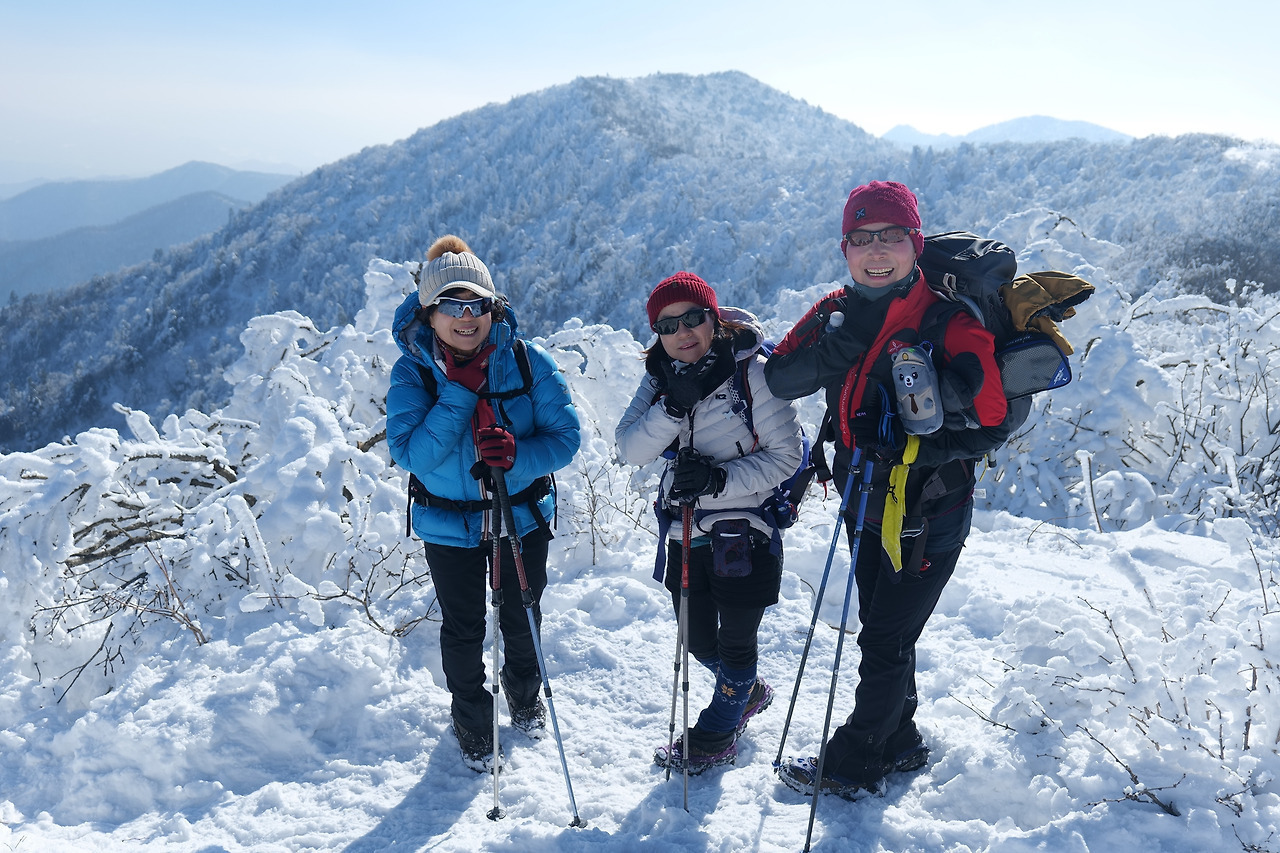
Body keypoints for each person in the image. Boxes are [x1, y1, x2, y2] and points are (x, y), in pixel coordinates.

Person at [763, 181, 1014, 798]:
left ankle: (855, 760)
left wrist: (916, 449)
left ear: (915, 243)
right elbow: (781, 377)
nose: (877, 250)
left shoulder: (948, 323)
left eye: (892, 236)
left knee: (883, 639)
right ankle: (900, 740)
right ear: (845, 249)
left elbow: (992, 421)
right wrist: (848, 340)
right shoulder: (835, 312)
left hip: (928, 510)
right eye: (862, 238)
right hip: (863, 499)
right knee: (883, 627)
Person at [387, 235, 580, 772]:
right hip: (450, 526)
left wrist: (515, 456)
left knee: (523, 616)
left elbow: (566, 439)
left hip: (520, 515)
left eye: (476, 304)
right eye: (451, 305)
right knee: (464, 627)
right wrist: (460, 392)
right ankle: (472, 718)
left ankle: (523, 693)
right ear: (429, 314)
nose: (466, 317)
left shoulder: (526, 361)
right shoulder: (413, 372)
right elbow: (413, 454)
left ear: (493, 308)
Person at [615, 272, 805, 774]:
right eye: (667, 324)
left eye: (692, 318)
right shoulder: (660, 377)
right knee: (699, 641)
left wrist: (717, 480)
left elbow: (786, 456)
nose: (682, 332)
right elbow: (630, 448)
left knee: (736, 643)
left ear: (713, 319)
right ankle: (746, 691)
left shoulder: (753, 372)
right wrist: (673, 405)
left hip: (745, 530)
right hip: (685, 528)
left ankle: (715, 735)